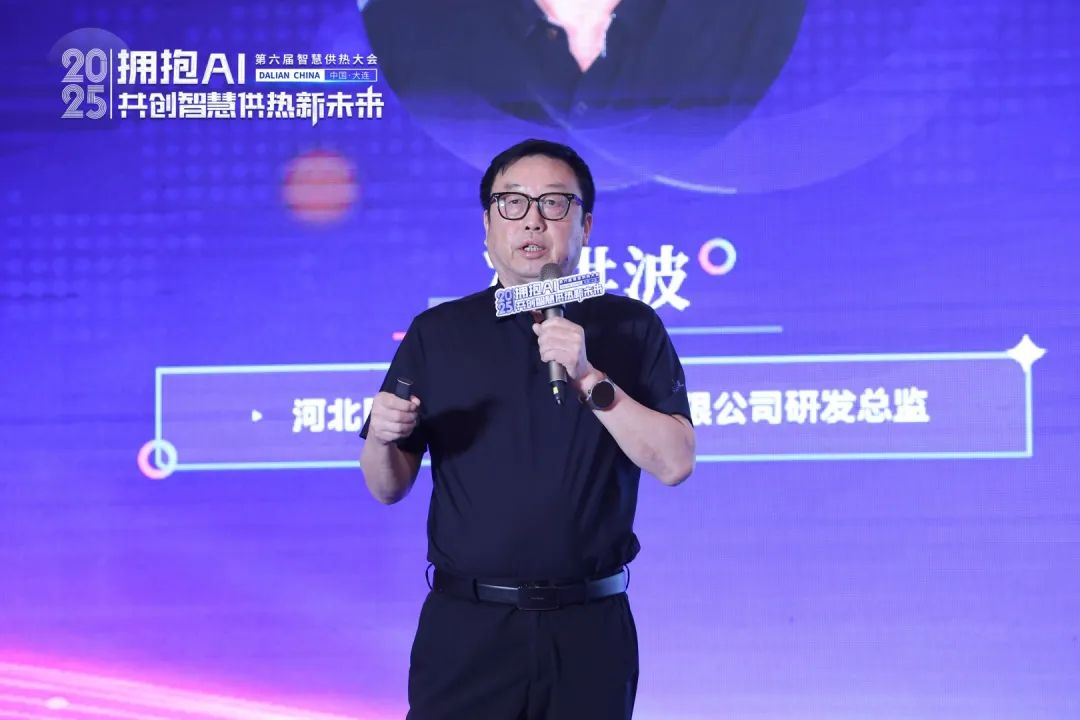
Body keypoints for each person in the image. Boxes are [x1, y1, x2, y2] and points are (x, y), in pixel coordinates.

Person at [359, 138, 695, 719]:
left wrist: (588, 375)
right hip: (469, 630)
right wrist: (381, 437)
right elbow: (387, 486)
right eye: (512, 203)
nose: (533, 220)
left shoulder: (631, 326)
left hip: (590, 629)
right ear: (488, 224)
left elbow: (675, 462)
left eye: (554, 203)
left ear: (585, 224)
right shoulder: (439, 333)